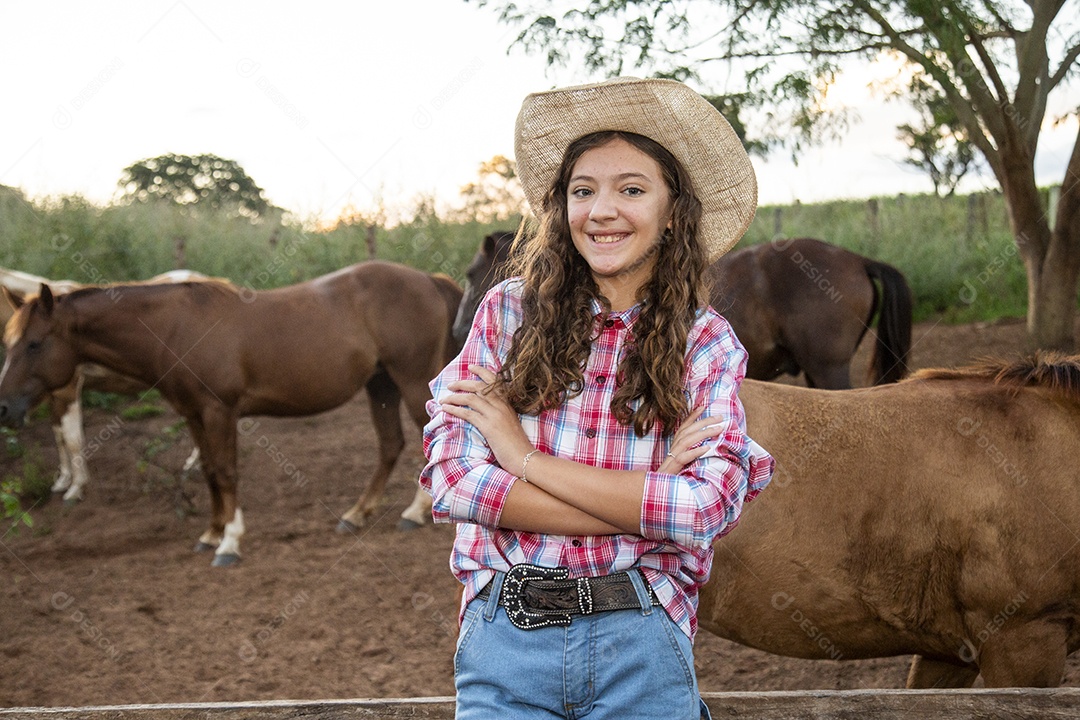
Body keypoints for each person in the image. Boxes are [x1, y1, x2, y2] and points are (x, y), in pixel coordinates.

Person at [420, 76, 774, 720]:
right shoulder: (506, 316)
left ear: (673, 215)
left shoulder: (705, 343)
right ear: (562, 210)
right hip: (507, 637)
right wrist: (645, 494)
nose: (601, 210)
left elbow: (701, 509)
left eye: (631, 190)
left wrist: (521, 458)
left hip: (639, 637)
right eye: (583, 191)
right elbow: (453, 484)